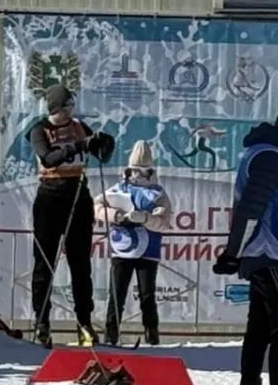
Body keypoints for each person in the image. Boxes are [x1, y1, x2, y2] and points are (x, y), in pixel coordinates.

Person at [214, 110, 278, 385]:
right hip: (270, 254)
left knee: (260, 327)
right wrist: (233, 252)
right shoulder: (271, 158)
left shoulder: (270, 155)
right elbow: (250, 208)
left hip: (271, 253)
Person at [28, 84, 115, 347]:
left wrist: (103, 144)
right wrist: (77, 146)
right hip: (50, 196)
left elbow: (98, 152)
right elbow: (48, 158)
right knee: (45, 263)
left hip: (78, 194)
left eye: (72, 106)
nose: (71, 111)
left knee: (80, 264)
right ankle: (42, 322)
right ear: (58, 107)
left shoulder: (79, 126)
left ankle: (84, 323)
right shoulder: (39, 130)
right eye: (67, 106)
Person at [95, 139, 172, 347]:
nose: (137, 176)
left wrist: (147, 219)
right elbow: (97, 207)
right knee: (116, 293)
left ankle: (151, 333)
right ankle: (111, 334)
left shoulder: (158, 193)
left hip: (148, 250)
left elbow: (165, 224)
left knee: (147, 295)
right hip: (122, 249)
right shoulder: (117, 189)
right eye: (133, 171)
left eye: (143, 171)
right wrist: (116, 215)